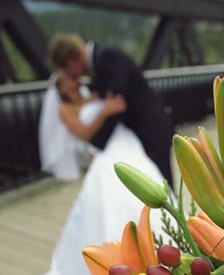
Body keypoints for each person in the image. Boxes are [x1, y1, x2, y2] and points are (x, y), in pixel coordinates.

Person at [38, 71, 171, 275]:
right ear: (60, 89)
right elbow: (84, 134)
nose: (75, 79)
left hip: (127, 142)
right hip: (107, 153)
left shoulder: (92, 94)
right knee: (111, 199)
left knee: (148, 184)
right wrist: (105, 111)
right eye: (67, 79)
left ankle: (162, 251)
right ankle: (119, 263)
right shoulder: (65, 110)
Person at [48, 33, 174, 187]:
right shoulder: (100, 59)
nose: (74, 76)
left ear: (70, 61)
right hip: (135, 137)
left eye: (68, 71)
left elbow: (117, 104)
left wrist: (98, 146)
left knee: (162, 185)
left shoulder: (107, 57)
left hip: (150, 131)